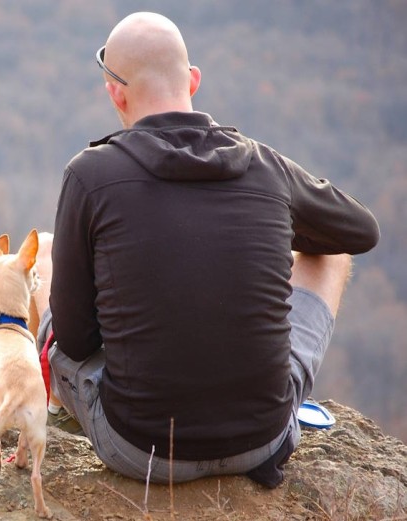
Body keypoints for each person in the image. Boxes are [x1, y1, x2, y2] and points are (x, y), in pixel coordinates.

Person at [40, 12, 379, 487]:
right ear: (194, 81)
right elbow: (359, 232)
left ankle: (57, 410)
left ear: (115, 92)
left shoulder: (90, 175)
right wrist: (267, 225)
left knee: (45, 254)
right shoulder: (265, 166)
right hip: (263, 438)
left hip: (141, 448)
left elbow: (74, 341)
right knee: (331, 252)